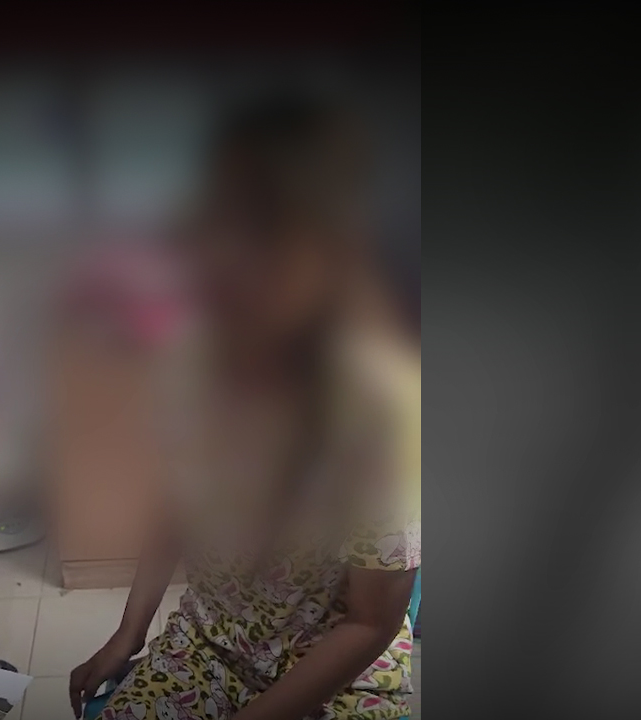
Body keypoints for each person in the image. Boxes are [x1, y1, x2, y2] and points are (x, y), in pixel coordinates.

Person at [69, 94, 421, 720]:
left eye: (266, 227)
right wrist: (130, 632)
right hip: (208, 648)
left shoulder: (380, 413)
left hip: (336, 677)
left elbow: (370, 621)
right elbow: (173, 506)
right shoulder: (190, 365)